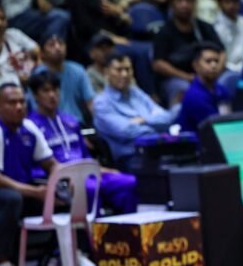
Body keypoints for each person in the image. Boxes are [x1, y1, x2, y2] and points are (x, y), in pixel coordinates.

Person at [27, 70, 138, 214]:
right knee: (89, 188)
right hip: (59, 180)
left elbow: (86, 156)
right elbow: (36, 166)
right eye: (45, 91)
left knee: (128, 182)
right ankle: (92, 235)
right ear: (35, 95)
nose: (52, 95)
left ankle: (124, 233)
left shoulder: (71, 121)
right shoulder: (30, 126)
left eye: (55, 90)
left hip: (87, 173)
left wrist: (103, 169)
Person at [0, 82, 53, 266]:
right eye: (12, 102)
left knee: (62, 195)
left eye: (22, 102)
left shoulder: (29, 128)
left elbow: (51, 164)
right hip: (1, 193)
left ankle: (73, 254)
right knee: (11, 200)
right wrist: (34, 192)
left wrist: (64, 180)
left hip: (20, 190)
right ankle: (0, 265)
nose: (19, 106)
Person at [93, 54, 177, 171]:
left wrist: (144, 120)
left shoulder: (137, 93)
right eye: (119, 70)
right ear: (107, 72)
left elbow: (167, 118)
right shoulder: (102, 103)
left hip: (158, 149)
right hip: (131, 158)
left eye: (127, 69)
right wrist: (156, 126)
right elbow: (127, 131)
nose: (124, 74)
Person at [152, 0, 223, 104]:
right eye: (179, 0)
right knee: (185, 90)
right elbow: (158, 64)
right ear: (172, 4)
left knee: (227, 83)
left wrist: (215, 70)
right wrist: (187, 77)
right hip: (177, 78)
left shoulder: (204, 27)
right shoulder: (164, 32)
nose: (184, 5)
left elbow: (221, 51)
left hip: (208, 75)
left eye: (188, 0)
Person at [34, 34, 95, 124]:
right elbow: (36, 108)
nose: (58, 48)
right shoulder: (37, 75)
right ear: (42, 53)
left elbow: (91, 102)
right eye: (52, 45)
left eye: (61, 43)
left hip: (77, 124)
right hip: (49, 125)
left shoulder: (78, 70)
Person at [177, 43, 230, 135]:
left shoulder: (222, 90)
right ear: (195, 66)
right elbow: (213, 129)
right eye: (208, 61)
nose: (214, 65)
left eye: (216, 61)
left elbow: (228, 118)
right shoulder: (194, 96)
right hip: (197, 145)